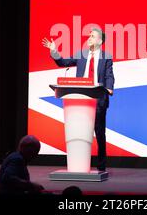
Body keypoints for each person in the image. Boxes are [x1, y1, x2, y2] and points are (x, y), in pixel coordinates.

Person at [42, 28, 115, 172]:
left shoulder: (106, 57)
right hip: (80, 100)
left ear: (100, 41)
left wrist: (109, 88)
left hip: (98, 98)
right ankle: (79, 164)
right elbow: (63, 62)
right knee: (80, 131)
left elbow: (109, 75)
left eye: (92, 36)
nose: (89, 38)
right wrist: (54, 51)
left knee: (99, 133)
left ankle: (101, 165)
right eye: (89, 36)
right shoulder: (82, 54)